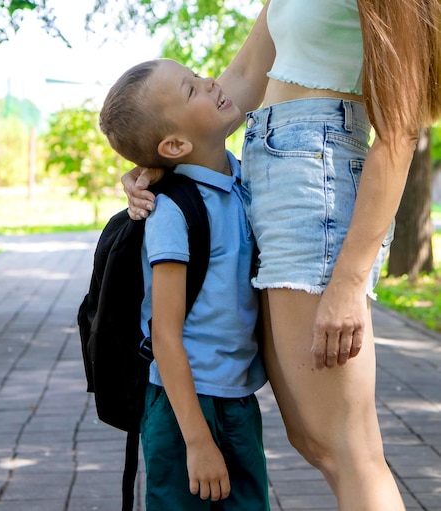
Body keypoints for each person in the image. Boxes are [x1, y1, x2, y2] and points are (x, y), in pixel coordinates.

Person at [121, 1, 441, 510]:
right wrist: (155, 158)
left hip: (315, 176)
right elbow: (246, 74)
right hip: (267, 171)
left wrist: (349, 283)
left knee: (349, 450)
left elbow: (400, 131)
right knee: (313, 440)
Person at [99, 58, 270, 510]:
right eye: (192, 90)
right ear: (173, 144)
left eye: (197, 76)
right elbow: (165, 336)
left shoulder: (240, 179)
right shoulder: (171, 213)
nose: (210, 81)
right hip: (184, 409)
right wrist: (196, 442)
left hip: (235, 398)